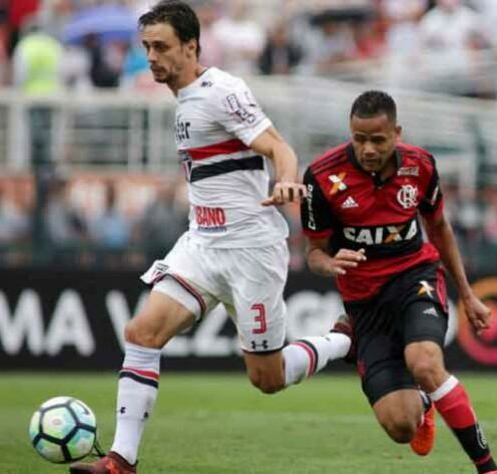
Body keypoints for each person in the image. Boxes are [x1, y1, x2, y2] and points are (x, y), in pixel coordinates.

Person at [70, 2, 352, 472]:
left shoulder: (222, 90)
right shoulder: (183, 97)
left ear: (191, 46)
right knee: (141, 333)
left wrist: (285, 179)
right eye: (146, 47)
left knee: (269, 377)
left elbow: (278, 146)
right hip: (202, 244)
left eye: (161, 47)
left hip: (250, 251)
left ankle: (346, 340)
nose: (152, 57)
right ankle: (121, 460)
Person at [301, 90, 497, 474]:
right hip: (364, 304)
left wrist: (469, 295)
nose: (368, 149)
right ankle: (424, 406)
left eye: (378, 139)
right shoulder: (322, 177)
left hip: (416, 279)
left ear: (396, 132)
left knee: (424, 363)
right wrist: (329, 263)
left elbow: (439, 227)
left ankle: (489, 468)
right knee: (400, 426)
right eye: (359, 139)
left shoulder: (420, 166)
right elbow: (313, 252)